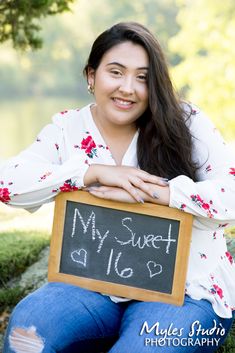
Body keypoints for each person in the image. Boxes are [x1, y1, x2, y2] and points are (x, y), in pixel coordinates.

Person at [1, 21, 235, 353]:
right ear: (91, 75)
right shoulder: (68, 128)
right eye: (116, 72)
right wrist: (90, 173)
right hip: (91, 287)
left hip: (187, 290)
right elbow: (7, 182)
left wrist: (158, 193)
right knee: (25, 336)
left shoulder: (186, 122)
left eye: (142, 77)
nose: (128, 88)